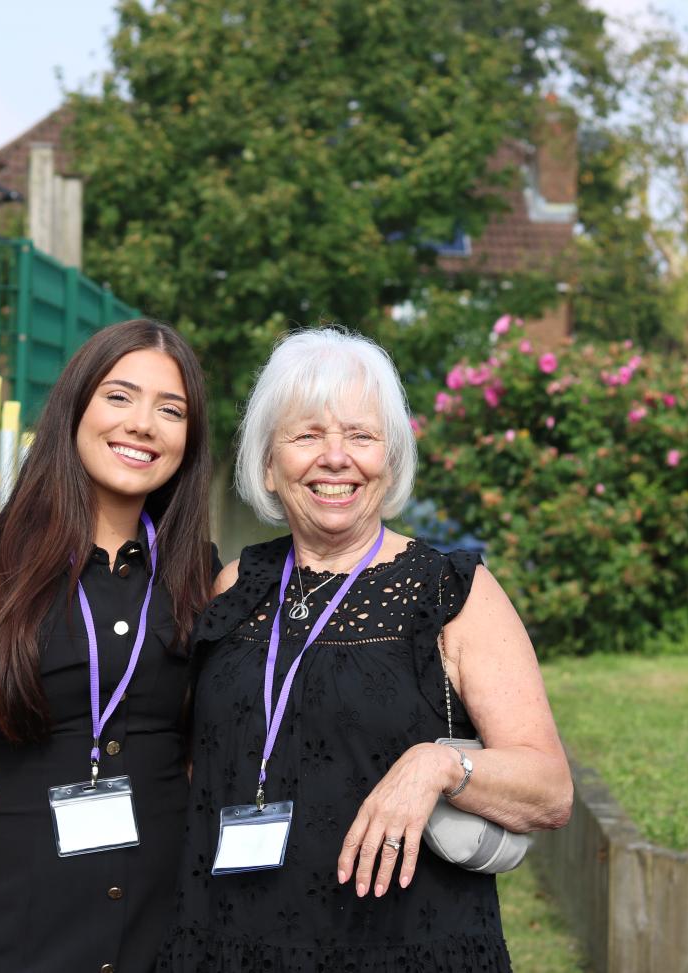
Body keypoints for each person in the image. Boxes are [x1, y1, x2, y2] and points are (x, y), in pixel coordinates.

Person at [155, 327, 573, 971]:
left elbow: (549, 789)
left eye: (360, 435)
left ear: (392, 458)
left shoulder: (452, 591)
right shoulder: (234, 586)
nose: (335, 457)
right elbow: (185, 757)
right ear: (268, 462)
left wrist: (436, 766)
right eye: (306, 435)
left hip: (404, 950)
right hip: (226, 941)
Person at [0, 318, 219, 973]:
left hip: (168, 932)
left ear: (189, 440)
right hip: (18, 928)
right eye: (120, 396)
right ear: (76, 408)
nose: (142, 423)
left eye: (171, 409)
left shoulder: (204, 575)